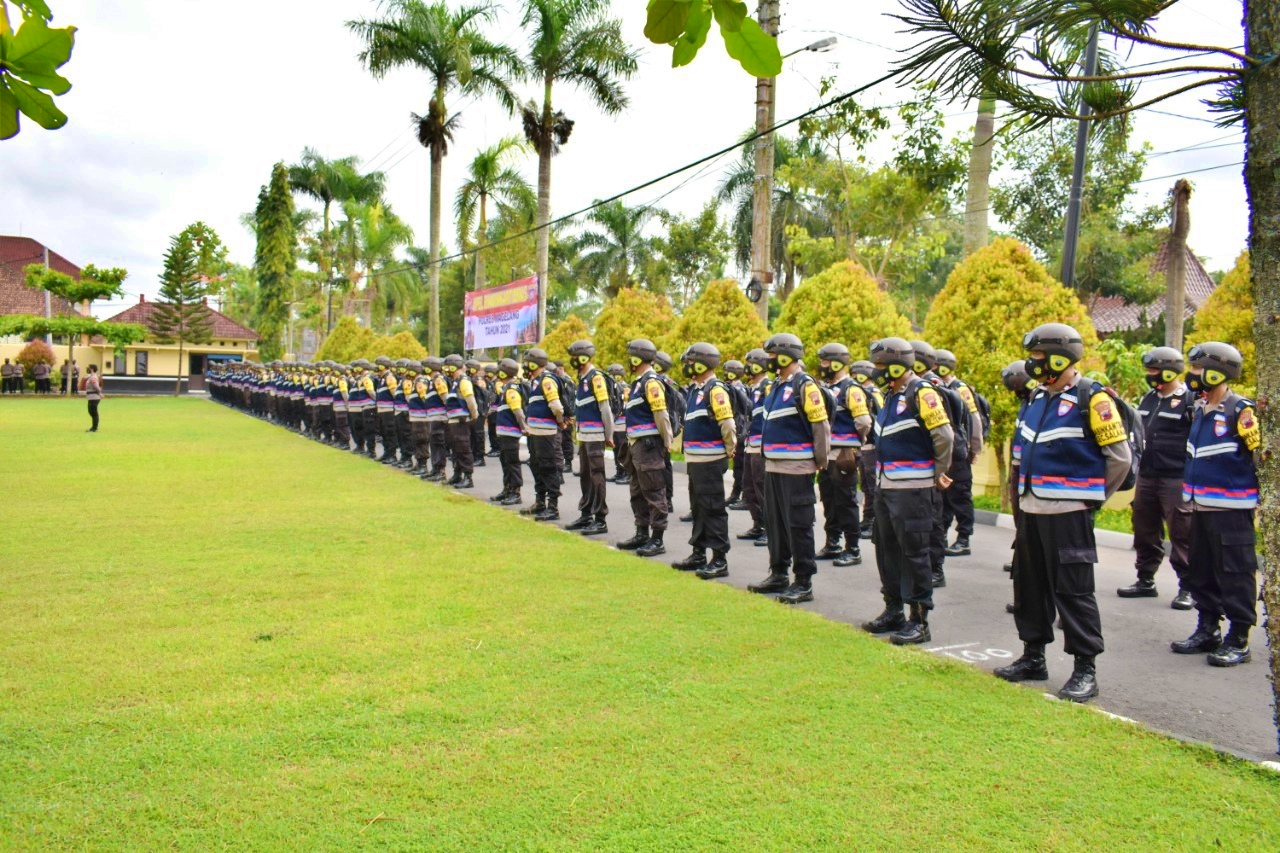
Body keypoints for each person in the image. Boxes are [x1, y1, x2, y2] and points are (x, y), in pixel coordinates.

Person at [994, 323, 1131, 703]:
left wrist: (1091, 498)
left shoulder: (1094, 398)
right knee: (1029, 585)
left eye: (1038, 358)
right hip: (1031, 509)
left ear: (1059, 358)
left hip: (1069, 512)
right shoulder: (1036, 398)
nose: (1033, 365)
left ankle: (1085, 669)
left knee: (1073, 590)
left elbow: (1119, 459)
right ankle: (1032, 656)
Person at [859, 338, 954, 645]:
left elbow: (944, 436)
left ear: (898, 366)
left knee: (914, 554)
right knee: (887, 550)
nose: (877, 372)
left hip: (913, 490)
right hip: (887, 488)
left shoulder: (922, 393)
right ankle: (893, 609)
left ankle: (919, 619)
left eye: (882, 367)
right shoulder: (891, 396)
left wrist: (937, 473)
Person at [1171, 342, 1260, 668]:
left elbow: (1260, 458)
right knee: (1201, 572)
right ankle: (1207, 628)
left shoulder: (1241, 411)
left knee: (1235, 573)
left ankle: (1238, 638)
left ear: (1216, 371)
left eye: (1196, 370)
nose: (1192, 376)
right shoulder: (1198, 408)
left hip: (1232, 510)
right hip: (1199, 507)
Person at [746, 333, 830, 604]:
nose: (767, 361)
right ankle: (778, 573)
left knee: (798, 524)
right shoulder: (776, 387)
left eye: (771, 357)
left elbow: (821, 428)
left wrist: (819, 462)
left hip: (797, 468)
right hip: (773, 466)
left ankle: (803, 581)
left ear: (784, 357)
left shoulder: (805, 386)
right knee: (776, 523)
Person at [1118, 346, 1194, 609]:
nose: (1150, 376)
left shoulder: (1189, 400)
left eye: (1154, 371)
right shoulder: (1149, 398)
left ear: (1170, 371)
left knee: (1181, 532)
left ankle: (1188, 587)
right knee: (1144, 528)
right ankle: (1145, 580)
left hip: (1176, 477)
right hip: (1148, 475)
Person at [907, 340, 972, 588]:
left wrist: (943, 466)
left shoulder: (930, 388)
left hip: (941, 459)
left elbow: (962, 424)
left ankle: (936, 568)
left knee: (939, 513)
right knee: (937, 516)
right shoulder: (910, 387)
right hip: (930, 461)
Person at [672, 343, 737, 579]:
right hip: (696, 460)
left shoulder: (715, 389)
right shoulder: (696, 390)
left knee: (713, 509)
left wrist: (730, 449)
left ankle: (719, 559)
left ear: (701, 364)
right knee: (699, 508)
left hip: (710, 460)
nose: (687, 367)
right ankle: (698, 552)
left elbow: (728, 424)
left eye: (690, 362)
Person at [816, 343, 872, 568]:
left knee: (846, 501)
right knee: (828, 500)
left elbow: (864, 422)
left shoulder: (851, 389)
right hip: (826, 455)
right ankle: (832, 543)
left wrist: (856, 444)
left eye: (825, 362)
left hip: (843, 455)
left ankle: (853, 548)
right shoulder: (825, 388)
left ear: (837, 362)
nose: (822, 366)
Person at [615, 339, 673, 557]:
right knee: (637, 490)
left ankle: (657, 539)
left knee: (654, 490)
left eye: (632, 356)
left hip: (649, 445)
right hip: (636, 444)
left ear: (638, 358)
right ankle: (641, 533)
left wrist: (667, 441)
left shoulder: (651, 382)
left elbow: (661, 414)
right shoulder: (639, 382)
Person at [932, 348, 985, 557]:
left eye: (935, 366)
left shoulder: (960, 389)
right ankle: (941, 535)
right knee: (943, 498)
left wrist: (975, 448)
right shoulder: (934, 386)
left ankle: (964, 538)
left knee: (961, 496)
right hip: (945, 452)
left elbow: (974, 420)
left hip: (959, 452)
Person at [563, 340, 613, 537]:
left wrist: (608, 435)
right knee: (585, 475)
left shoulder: (596, 378)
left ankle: (600, 519)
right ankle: (586, 513)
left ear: (583, 358)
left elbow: (605, 408)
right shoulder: (582, 379)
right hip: (584, 435)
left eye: (575, 357)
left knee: (596, 476)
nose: (572, 361)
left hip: (595, 436)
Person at [1001, 359, 1036, 612]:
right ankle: (1026, 597)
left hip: (1037, 475)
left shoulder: (1044, 401)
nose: (1020, 395)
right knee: (1023, 533)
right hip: (1019, 470)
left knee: (1037, 540)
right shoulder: (1027, 403)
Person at [521, 348, 566, 520]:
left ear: (533, 364)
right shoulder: (535, 381)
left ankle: (553, 506)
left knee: (548, 466)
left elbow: (556, 405)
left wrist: (560, 420)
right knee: (536, 465)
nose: (525, 367)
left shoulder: (547, 380)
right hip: (534, 432)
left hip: (545, 432)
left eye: (526, 364)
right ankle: (540, 501)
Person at [736, 348, 773, 546]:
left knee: (762, 488)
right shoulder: (753, 387)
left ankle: (769, 528)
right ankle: (757, 524)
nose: (747, 368)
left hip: (761, 444)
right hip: (751, 443)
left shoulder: (767, 386)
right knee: (749, 488)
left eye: (749, 363)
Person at [850, 361, 883, 540]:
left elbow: (877, 417)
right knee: (865, 485)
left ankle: (873, 522)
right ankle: (867, 518)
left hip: (872, 446)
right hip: (864, 446)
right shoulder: (864, 392)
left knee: (872, 486)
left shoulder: (874, 394)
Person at [490, 358, 528, 507]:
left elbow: (517, 410)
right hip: (505, 431)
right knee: (505, 461)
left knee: (512, 462)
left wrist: (523, 427)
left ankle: (515, 492)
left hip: (510, 432)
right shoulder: (506, 387)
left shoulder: (511, 388)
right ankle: (507, 488)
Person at [442, 354, 478, 489]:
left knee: (463, 449)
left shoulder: (463, 381)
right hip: (454, 421)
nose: (446, 371)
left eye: (447, 367)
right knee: (456, 449)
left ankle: (468, 477)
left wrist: (474, 416)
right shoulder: (456, 381)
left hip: (461, 421)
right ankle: (458, 474)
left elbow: (470, 400)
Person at [722, 359, 753, 510]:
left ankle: (739, 494)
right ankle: (736, 493)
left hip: (740, 429)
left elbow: (744, 408)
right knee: (738, 464)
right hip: (739, 428)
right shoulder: (732, 387)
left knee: (741, 464)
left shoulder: (738, 389)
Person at [422, 357, 450, 481]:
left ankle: (440, 470)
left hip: (439, 417)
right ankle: (435, 468)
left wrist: (447, 414)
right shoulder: (433, 380)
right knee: (434, 443)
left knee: (438, 443)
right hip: (434, 416)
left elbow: (445, 397)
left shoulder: (438, 380)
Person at [607, 364, 631, 484]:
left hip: (623, 425)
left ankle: (626, 472)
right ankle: (619, 472)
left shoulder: (626, 388)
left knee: (623, 451)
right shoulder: (611, 388)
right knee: (616, 450)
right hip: (615, 425)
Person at [466, 360, 490, 468]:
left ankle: (479, 457)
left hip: (480, 410)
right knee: (472, 435)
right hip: (475, 410)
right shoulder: (470, 380)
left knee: (478, 434)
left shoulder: (478, 380)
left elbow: (484, 395)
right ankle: (474, 455)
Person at [555, 361, 576, 475]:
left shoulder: (568, 381)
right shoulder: (557, 380)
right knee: (559, 439)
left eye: (560, 368)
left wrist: (569, 415)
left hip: (567, 414)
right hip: (560, 413)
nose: (558, 370)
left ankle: (568, 462)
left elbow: (570, 399)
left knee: (566, 439)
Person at [84, 365, 103, 432]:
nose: (87, 369)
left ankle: (94, 428)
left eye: (89, 368)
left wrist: (99, 393)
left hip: (94, 397)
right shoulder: (91, 376)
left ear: (92, 369)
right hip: (91, 397)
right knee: (91, 412)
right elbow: (85, 377)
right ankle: (94, 427)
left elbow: (96, 386)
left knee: (93, 412)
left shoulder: (93, 377)